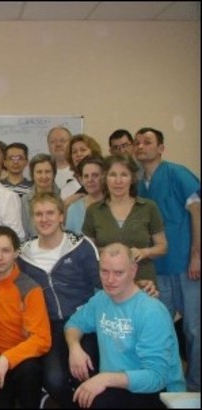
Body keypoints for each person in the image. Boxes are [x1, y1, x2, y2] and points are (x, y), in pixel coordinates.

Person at [65, 243, 186, 408]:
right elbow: (73, 324)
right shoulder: (101, 299)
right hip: (118, 384)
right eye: (104, 271)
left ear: (133, 271)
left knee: (96, 400)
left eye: (118, 273)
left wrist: (104, 378)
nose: (110, 280)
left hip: (159, 392)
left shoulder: (151, 312)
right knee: (80, 388)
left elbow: (157, 377)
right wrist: (74, 348)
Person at [17, 191, 101, 408]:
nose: (44, 219)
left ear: (61, 216)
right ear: (32, 219)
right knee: (54, 380)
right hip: (48, 325)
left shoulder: (80, 245)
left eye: (50, 213)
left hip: (83, 320)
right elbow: (16, 290)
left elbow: (103, 282)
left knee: (86, 372)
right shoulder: (24, 254)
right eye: (38, 214)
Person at [135, 127, 200, 392]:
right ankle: (169, 385)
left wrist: (197, 254)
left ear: (161, 148)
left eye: (147, 142)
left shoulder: (177, 173)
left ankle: (196, 385)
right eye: (137, 142)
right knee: (161, 329)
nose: (141, 146)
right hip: (157, 269)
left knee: (194, 328)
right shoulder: (138, 183)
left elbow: (197, 211)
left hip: (186, 265)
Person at [0, 226, 51, 408]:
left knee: (31, 372)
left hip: (21, 359)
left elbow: (42, 339)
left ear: (16, 253)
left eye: (5, 251)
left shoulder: (30, 289)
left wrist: (7, 359)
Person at [83, 153, 167, 284]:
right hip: (108, 283)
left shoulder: (148, 207)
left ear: (132, 178)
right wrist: (107, 252)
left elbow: (162, 247)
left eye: (124, 175)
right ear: (105, 178)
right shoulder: (94, 211)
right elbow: (86, 250)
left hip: (144, 283)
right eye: (112, 175)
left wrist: (144, 252)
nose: (118, 181)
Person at [20, 153, 60, 238]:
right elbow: (24, 233)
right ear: (32, 175)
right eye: (39, 172)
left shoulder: (63, 197)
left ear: (54, 174)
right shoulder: (25, 200)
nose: (43, 176)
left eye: (47, 172)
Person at [65, 156, 105, 234]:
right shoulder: (74, 209)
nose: (90, 180)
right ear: (81, 180)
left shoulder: (114, 205)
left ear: (104, 176)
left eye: (95, 175)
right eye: (86, 176)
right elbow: (70, 238)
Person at [62, 134, 103, 206]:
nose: (78, 154)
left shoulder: (104, 180)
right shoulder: (67, 189)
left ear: (93, 152)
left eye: (83, 150)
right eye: (74, 152)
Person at [47, 126, 81, 195]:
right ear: (48, 145)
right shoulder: (43, 172)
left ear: (71, 144)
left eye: (63, 141)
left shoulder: (80, 170)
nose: (58, 144)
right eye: (53, 142)